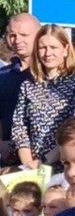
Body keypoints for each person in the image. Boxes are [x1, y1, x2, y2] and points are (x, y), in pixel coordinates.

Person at [12, 24, 75, 169]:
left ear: (65, 49)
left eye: (53, 47)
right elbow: (19, 127)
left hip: (66, 165)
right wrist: (28, 163)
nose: (47, 53)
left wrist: (45, 161)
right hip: (32, 166)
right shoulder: (28, 86)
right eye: (42, 48)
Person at [0, 12, 40, 160]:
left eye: (24, 35)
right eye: (12, 35)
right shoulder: (3, 75)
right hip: (8, 158)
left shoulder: (50, 75)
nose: (17, 40)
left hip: (43, 158)